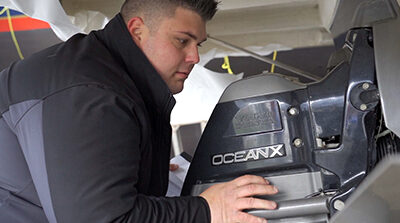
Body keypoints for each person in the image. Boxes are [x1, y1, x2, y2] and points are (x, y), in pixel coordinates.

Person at [0, 0, 278, 222]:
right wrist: (207, 210)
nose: (194, 57)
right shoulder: (91, 92)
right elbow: (101, 219)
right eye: (182, 41)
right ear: (137, 30)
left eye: (198, 45)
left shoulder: (112, 77)